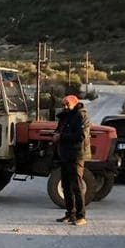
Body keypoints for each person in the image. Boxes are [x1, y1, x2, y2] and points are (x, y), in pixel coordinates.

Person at [54, 95, 91, 225]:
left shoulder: (81, 116)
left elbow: (81, 136)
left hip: (76, 155)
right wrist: (56, 135)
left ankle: (81, 216)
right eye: (63, 104)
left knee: (77, 186)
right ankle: (70, 214)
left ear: (74, 104)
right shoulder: (64, 116)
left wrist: (61, 136)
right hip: (64, 155)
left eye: (67, 104)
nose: (64, 107)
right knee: (66, 186)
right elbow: (59, 130)